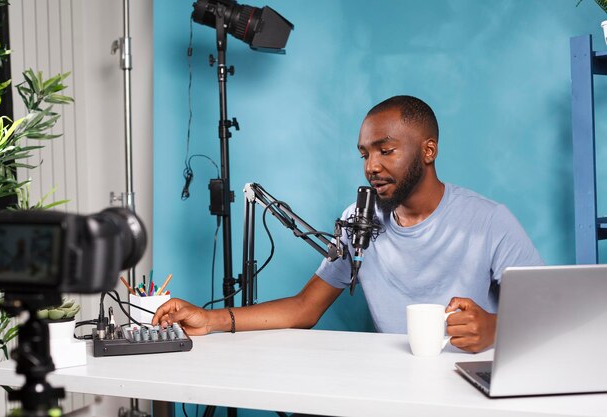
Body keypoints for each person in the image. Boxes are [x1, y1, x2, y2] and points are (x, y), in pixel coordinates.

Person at [152, 95, 543, 353]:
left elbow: (550, 317)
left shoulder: (489, 220)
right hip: (393, 387)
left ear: (428, 151)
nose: (372, 166)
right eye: (365, 154)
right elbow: (305, 308)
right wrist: (209, 319)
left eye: (386, 150)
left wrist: (495, 328)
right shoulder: (359, 221)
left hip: (472, 386)